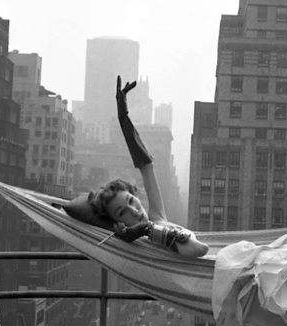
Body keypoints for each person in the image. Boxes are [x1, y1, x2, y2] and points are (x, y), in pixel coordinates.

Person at [89, 76, 209, 259]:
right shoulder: (144, 236)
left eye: (131, 201)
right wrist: (146, 230)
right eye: (122, 212)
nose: (134, 211)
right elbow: (198, 250)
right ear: (117, 224)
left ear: (137, 196)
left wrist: (123, 118)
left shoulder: (157, 219)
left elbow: (146, 166)